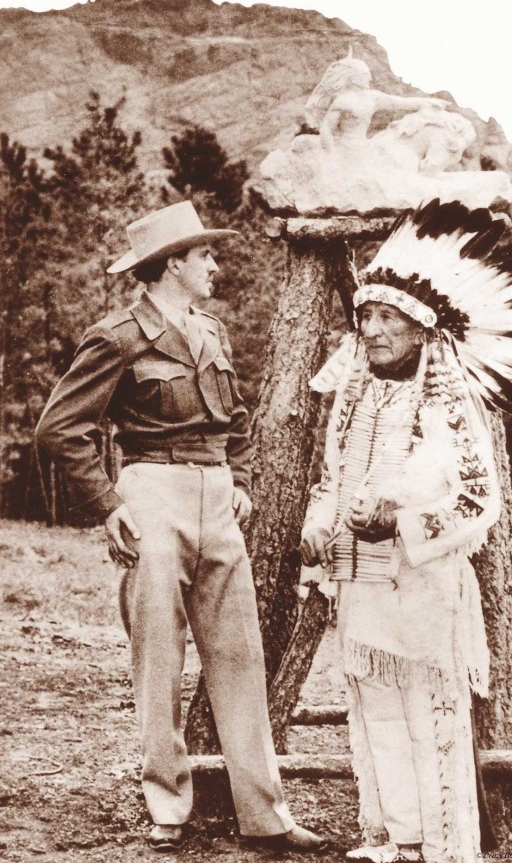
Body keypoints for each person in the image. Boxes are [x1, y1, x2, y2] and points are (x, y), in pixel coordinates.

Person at [35, 201, 326, 854]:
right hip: (152, 493)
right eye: (205, 257)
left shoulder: (212, 331)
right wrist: (110, 502)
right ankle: (168, 808)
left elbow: (238, 418)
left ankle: (265, 815)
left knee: (240, 657)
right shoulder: (117, 336)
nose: (215, 266)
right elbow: (60, 430)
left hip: (216, 497)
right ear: (172, 265)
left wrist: (241, 481)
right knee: (159, 658)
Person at [300, 199, 512, 863]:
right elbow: (332, 485)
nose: (374, 329)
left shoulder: (450, 405)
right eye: (366, 317)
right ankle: (392, 836)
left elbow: (479, 502)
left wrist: (403, 520)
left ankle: (444, 846)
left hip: (424, 588)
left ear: (420, 329)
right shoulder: (351, 404)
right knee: (376, 715)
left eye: (389, 317)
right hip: (359, 584)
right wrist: (317, 531)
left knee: (432, 720)